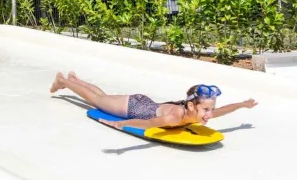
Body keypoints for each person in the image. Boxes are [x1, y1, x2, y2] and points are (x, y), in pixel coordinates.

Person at [50, 71, 257, 130]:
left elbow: (221, 111)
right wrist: (123, 123)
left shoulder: (195, 112)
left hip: (144, 103)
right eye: (206, 110)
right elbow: (148, 124)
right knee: (97, 100)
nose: (210, 114)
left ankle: (75, 80)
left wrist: (241, 105)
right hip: (133, 108)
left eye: (210, 109)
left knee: (102, 97)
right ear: (192, 106)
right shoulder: (175, 118)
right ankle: (64, 82)